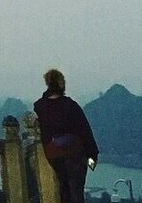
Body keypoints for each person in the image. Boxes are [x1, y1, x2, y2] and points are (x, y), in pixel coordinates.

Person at [33, 69, 99, 203]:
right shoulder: (71, 106)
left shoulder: (40, 106)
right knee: (76, 189)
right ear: (61, 84)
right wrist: (93, 154)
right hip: (73, 153)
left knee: (64, 187)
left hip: (53, 153)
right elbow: (84, 130)